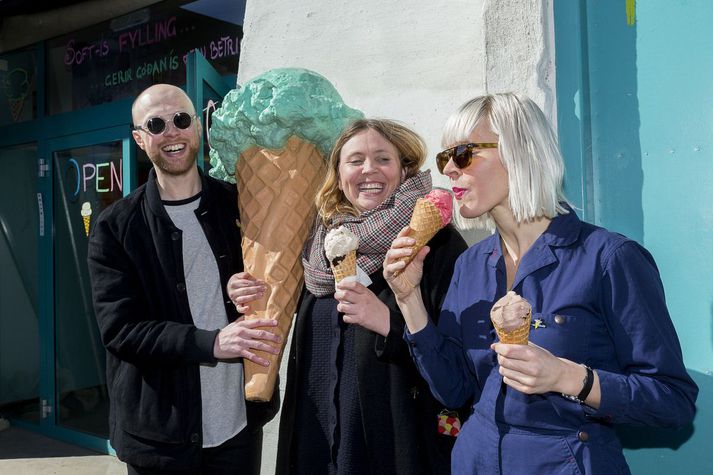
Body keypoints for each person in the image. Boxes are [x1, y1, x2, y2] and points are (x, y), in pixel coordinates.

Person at [383, 93, 699, 474]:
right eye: (444, 157)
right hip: (475, 461)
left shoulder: (608, 258)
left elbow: (672, 401)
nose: (449, 169)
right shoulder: (470, 264)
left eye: (463, 153)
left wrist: (569, 378)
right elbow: (454, 390)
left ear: (521, 152)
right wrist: (408, 298)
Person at [250, 119, 467, 474]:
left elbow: (460, 364)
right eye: (355, 160)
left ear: (404, 168)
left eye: (383, 159)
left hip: (394, 451)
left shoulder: (437, 244)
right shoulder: (316, 249)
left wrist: (388, 323)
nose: (369, 170)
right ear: (337, 175)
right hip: (315, 447)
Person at [88, 84, 281, 475]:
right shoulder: (116, 227)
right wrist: (212, 342)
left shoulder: (239, 204)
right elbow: (121, 330)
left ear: (197, 127)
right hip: (161, 440)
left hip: (238, 430)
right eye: (156, 125)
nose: (171, 133)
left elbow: (271, 279)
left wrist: (236, 288)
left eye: (180, 120)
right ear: (140, 140)